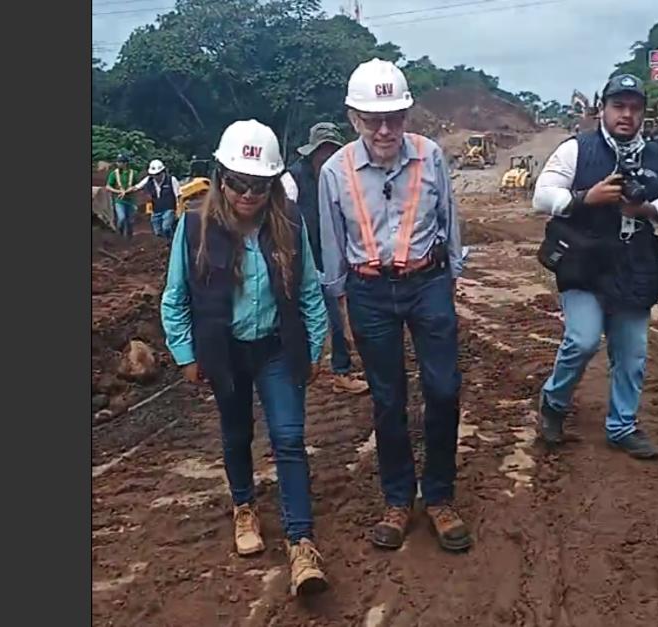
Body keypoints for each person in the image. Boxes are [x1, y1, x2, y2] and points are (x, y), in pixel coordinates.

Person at [160, 119, 329, 596]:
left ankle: (301, 542)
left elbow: (311, 291)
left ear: (272, 184)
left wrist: (314, 347)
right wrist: (185, 354)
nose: (248, 194)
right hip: (225, 351)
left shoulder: (290, 223)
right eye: (238, 183)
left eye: (258, 185)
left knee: (290, 439)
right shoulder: (193, 226)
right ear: (221, 178)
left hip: (277, 348)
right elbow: (174, 298)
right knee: (236, 434)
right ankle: (244, 506)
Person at [318, 59, 470, 552]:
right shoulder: (333, 172)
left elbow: (451, 220)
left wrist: (453, 280)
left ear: (407, 114)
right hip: (368, 291)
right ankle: (398, 499)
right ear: (352, 118)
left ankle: (440, 497)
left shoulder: (431, 157)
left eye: (395, 118)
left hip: (426, 282)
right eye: (372, 119)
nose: (385, 130)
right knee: (388, 399)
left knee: (443, 389)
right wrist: (339, 308)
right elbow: (332, 244)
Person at [532, 74, 658, 459]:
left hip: (634, 262)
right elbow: (542, 195)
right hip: (584, 262)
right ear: (603, 108)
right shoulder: (576, 150)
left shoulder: (656, 156)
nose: (627, 115)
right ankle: (553, 401)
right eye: (619, 106)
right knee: (582, 340)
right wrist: (587, 197)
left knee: (632, 352)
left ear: (642, 113)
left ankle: (622, 426)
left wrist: (646, 209)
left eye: (635, 108)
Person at [288, 122, 369, 395]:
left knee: (339, 317)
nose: (327, 158)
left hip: (332, 260)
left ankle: (341, 370)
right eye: (322, 152)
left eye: (332, 151)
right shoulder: (294, 179)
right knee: (300, 318)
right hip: (300, 260)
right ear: (311, 153)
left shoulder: (341, 177)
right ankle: (302, 370)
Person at [126, 159, 180, 240]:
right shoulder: (148, 180)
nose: (156, 176)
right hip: (156, 210)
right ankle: (163, 246)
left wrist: (178, 211)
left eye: (158, 174)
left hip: (169, 209)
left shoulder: (171, 180)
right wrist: (125, 192)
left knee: (166, 227)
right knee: (157, 232)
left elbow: (178, 196)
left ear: (163, 172)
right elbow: (137, 187)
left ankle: (171, 242)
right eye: (154, 174)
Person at [105, 153, 139, 239]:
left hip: (131, 201)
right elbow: (108, 186)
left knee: (130, 222)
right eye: (118, 162)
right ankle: (119, 236)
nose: (118, 164)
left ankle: (129, 239)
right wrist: (118, 191)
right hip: (119, 201)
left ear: (125, 163)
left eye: (120, 162)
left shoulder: (133, 173)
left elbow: (137, 186)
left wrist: (130, 190)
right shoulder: (114, 174)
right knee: (122, 218)